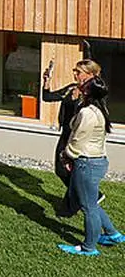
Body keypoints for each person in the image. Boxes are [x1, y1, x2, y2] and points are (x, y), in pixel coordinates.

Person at [57, 73, 124, 256]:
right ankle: (112, 234)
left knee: (88, 207)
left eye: (84, 84)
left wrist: (66, 156)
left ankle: (89, 247)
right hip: (96, 160)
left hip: (87, 162)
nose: (80, 84)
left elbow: (77, 140)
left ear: (88, 91)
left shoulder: (88, 113)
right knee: (90, 201)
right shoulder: (99, 109)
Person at [44, 58, 102, 216]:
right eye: (74, 71)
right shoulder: (72, 89)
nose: (74, 74)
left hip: (79, 135)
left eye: (78, 71)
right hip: (66, 133)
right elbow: (47, 97)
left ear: (89, 74)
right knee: (61, 169)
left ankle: (73, 204)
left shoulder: (94, 92)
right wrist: (46, 81)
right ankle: (87, 196)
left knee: (72, 170)